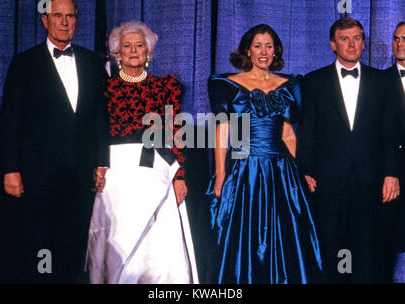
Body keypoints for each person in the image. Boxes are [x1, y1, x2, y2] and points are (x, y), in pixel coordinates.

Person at [0, 0, 110, 283]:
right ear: (45, 20)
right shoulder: (25, 63)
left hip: (81, 174)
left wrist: (101, 162)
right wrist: (11, 169)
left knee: (76, 242)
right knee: (41, 242)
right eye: (57, 16)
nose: (64, 22)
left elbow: (100, 115)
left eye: (70, 16)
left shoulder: (90, 61)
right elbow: (10, 120)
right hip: (38, 175)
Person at [205, 24, 322, 284]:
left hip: (281, 170)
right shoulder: (225, 83)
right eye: (258, 46)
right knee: (241, 235)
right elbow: (222, 130)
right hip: (243, 168)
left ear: (276, 51)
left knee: (286, 233)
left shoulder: (291, 84)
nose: (263, 52)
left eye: (269, 46)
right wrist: (221, 173)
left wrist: (300, 172)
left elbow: (288, 135)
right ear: (247, 49)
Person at [86, 20, 198, 284]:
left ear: (149, 53)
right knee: (118, 240)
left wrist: (179, 175)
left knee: (158, 246)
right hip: (115, 175)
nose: (134, 51)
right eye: (127, 46)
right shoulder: (104, 88)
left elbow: (175, 130)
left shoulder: (165, 86)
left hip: (155, 171)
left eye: (140, 46)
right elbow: (93, 132)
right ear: (117, 53)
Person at [296, 17, 400, 284]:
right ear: (333, 44)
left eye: (357, 38)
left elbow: (390, 131)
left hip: (372, 182)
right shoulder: (313, 81)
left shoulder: (381, 81)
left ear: (363, 43)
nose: (352, 44)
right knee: (331, 254)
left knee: (370, 256)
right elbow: (307, 131)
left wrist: (392, 172)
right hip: (328, 183)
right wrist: (305, 170)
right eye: (345, 38)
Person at [384, 21, 404, 283]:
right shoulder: (378, 80)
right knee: (388, 240)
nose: (400, 44)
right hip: (391, 173)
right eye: (396, 38)